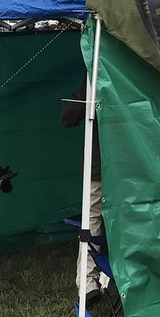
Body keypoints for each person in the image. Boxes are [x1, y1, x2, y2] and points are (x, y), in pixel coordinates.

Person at [60, 83, 104, 300]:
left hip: (99, 166)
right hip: (133, 167)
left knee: (91, 222)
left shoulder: (98, 72)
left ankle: (88, 283)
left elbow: (69, 114)